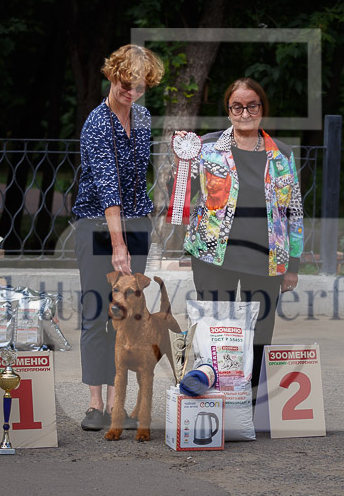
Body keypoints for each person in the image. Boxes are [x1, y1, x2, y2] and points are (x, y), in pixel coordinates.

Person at [181, 77, 303, 394]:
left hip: (266, 258)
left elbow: (295, 212)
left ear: (262, 108)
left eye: (252, 105)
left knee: (259, 331)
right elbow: (185, 195)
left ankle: (251, 401)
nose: (245, 112)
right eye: (237, 106)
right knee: (212, 329)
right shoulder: (205, 147)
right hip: (212, 255)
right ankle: (210, 393)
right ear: (229, 110)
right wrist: (182, 164)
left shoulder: (282, 154)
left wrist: (294, 264)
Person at [72, 44, 164, 431]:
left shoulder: (141, 117)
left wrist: (144, 225)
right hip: (98, 224)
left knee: (129, 315)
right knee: (98, 310)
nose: (132, 93)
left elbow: (137, 178)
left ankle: (118, 404)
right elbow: (109, 189)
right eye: (127, 84)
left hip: (136, 223)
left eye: (140, 87)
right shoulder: (97, 122)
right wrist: (119, 244)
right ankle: (95, 404)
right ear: (112, 76)